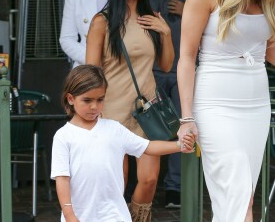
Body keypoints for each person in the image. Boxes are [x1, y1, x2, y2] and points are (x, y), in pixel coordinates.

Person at [177, 0, 275, 222]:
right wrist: (186, 117)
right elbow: (186, 56)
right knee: (236, 194)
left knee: (244, 198)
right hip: (215, 103)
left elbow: (270, 52)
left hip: (255, 105)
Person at [86, 0, 180, 221]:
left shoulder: (149, 19)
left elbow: (165, 65)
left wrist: (165, 33)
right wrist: (93, 112)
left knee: (149, 180)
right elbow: (91, 73)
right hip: (113, 111)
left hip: (148, 111)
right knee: (119, 181)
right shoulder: (102, 22)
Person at [51, 64, 195, 222]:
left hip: (115, 215)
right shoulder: (63, 136)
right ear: (70, 99)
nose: (94, 106)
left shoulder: (114, 129)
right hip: (79, 217)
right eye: (87, 100)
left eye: (100, 100)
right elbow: (62, 179)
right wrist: (69, 214)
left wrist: (180, 145)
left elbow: (148, 147)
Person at [150, 0, 205, 209]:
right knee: (152, 130)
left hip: (189, 72)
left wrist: (187, 13)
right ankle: (146, 188)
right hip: (157, 71)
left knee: (183, 130)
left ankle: (176, 190)